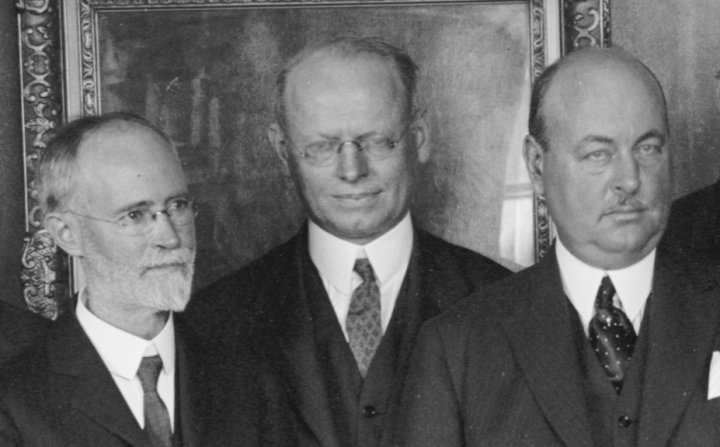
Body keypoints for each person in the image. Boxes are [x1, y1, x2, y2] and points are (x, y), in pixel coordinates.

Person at [186, 37, 510, 447]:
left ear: (420, 137)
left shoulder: (503, 304)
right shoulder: (214, 322)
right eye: (321, 147)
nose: (352, 170)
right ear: (283, 151)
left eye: (376, 141)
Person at [396, 47, 720, 446]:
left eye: (647, 148)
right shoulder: (457, 348)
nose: (630, 179)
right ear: (536, 165)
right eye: (598, 154)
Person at [0, 113, 296, 446]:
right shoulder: (14, 400)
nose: (170, 237)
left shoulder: (254, 372)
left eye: (177, 205)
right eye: (134, 215)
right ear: (67, 234)